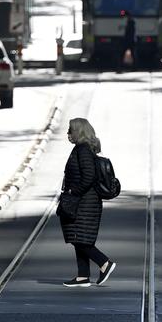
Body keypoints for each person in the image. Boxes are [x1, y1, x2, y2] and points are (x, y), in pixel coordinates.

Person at [60, 118, 116, 287]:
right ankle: (82, 276)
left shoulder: (82, 150)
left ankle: (104, 263)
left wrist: (72, 191)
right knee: (80, 237)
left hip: (83, 202)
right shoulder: (84, 149)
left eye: (70, 130)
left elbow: (89, 176)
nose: (68, 134)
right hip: (85, 201)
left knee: (78, 238)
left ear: (79, 132)